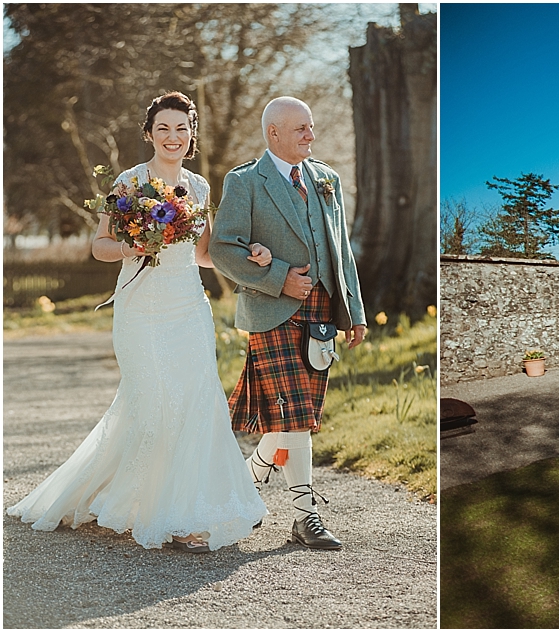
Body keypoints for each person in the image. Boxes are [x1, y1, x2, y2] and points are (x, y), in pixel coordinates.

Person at [6, 92, 270, 553]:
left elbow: (205, 255)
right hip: (141, 310)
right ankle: (121, 498)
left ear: (191, 136)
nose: (173, 137)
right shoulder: (130, 182)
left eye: (181, 129)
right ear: (149, 134)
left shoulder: (201, 186)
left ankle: (186, 513)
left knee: (194, 404)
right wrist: (134, 247)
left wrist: (250, 255)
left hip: (188, 307)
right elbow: (99, 245)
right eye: (163, 129)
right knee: (153, 405)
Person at [211, 96, 367, 551]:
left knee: (293, 416)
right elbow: (224, 248)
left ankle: (243, 486)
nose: (311, 136)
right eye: (301, 129)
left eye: (311, 127)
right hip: (271, 310)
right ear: (273, 133)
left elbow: (341, 251)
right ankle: (306, 516)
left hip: (321, 313)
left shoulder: (327, 180)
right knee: (294, 416)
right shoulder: (244, 182)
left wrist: (353, 311)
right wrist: (279, 278)